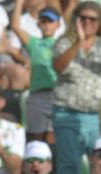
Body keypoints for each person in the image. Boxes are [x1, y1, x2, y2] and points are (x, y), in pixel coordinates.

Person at [51, 1, 101, 174]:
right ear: (76, 19)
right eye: (84, 18)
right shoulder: (64, 41)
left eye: (93, 19)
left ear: (100, 23)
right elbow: (58, 66)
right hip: (67, 115)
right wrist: (79, 43)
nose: (88, 22)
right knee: (69, 168)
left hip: (97, 118)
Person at [11, 5, 61, 143]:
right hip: (38, 95)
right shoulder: (34, 43)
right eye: (43, 21)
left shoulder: (62, 45)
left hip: (57, 96)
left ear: (58, 24)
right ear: (38, 24)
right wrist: (20, 2)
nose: (46, 25)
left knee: (52, 140)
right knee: (35, 139)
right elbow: (15, 26)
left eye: (50, 21)